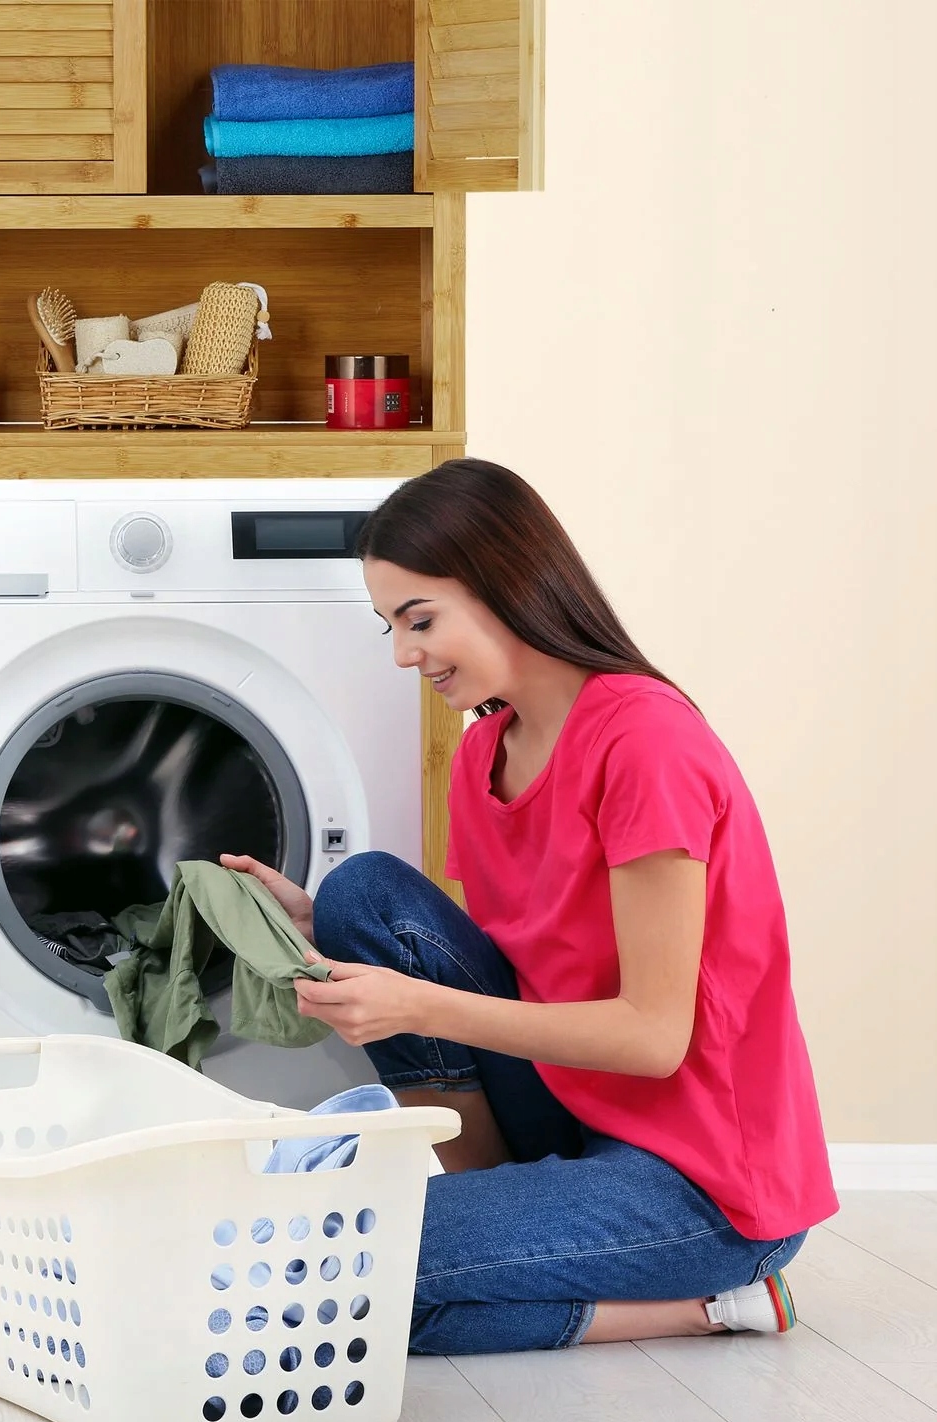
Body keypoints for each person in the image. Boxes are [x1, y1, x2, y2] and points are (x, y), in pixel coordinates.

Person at [221, 457, 836, 1355]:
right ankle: (503, 1210)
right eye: (391, 627)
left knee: (330, 1268)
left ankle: (710, 1301)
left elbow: (653, 1037)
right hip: (575, 1114)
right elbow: (519, 966)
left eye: (420, 620)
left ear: (507, 584)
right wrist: (319, 928)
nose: (403, 654)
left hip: (706, 1186)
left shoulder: (646, 742)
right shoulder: (484, 757)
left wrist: (417, 1005)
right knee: (361, 895)